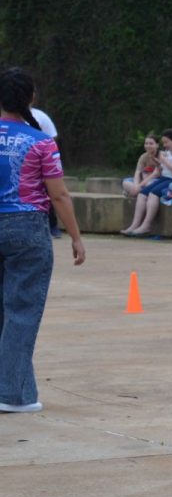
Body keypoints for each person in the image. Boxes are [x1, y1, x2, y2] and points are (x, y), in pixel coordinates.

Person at [0, 67, 86, 413]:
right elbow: (59, 195)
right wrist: (75, 237)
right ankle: (13, 395)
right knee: (21, 312)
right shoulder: (41, 142)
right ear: (31, 98)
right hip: (26, 229)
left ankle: (17, 388)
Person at [122, 129, 172, 236]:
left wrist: (165, 161)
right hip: (166, 178)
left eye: (166, 142)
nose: (165, 145)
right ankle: (134, 225)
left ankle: (146, 226)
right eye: (164, 142)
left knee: (153, 193)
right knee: (142, 193)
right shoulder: (168, 153)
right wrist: (159, 164)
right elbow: (164, 170)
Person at [30, 99, 61, 238]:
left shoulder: (40, 116)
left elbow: (52, 138)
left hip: (39, 165)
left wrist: (48, 162)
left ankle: (53, 226)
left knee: (49, 193)